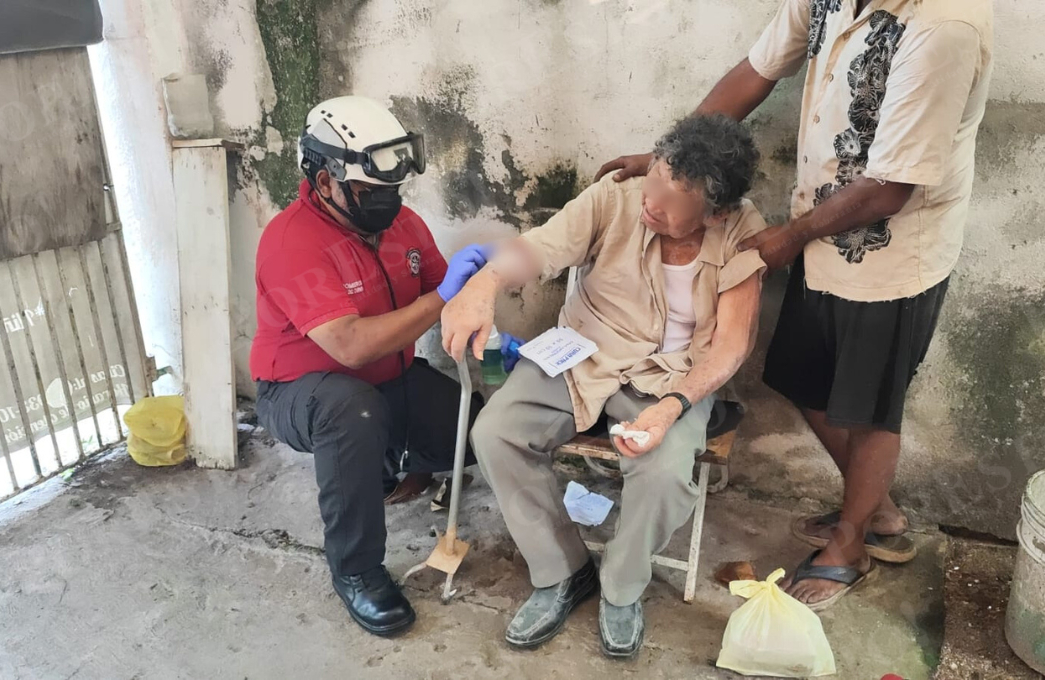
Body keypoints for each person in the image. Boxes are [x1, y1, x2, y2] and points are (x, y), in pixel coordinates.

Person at [597, 0, 993, 610]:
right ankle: (877, 508)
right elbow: (755, 71)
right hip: (821, 232)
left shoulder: (945, 26)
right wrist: (667, 163)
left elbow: (891, 186)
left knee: (873, 408)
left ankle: (851, 544)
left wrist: (790, 235)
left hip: (892, 252)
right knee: (802, 378)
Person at [442, 115, 767, 658]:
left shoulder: (742, 231)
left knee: (664, 472)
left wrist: (671, 407)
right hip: (586, 351)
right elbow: (539, 247)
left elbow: (731, 345)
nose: (652, 200)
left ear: (716, 213)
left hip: (674, 376)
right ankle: (563, 571)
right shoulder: (618, 196)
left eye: (673, 196)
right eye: (656, 177)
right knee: (496, 431)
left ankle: (621, 587)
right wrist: (485, 282)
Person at [249, 96, 517, 637]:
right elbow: (349, 346)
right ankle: (355, 571)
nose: (388, 203)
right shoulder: (290, 242)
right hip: (301, 391)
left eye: (394, 190)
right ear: (325, 183)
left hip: (390, 378)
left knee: (479, 432)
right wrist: (441, 296)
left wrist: (495, 343)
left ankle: (392, 461)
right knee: (354, 414)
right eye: (372, 192)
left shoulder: (403, 225)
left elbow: (453, 296)